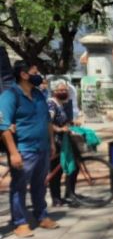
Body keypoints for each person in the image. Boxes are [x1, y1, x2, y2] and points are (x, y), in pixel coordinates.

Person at [0, 61, 58, 237]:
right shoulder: (10, 96)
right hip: (24, 149)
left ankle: (42, 215)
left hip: (42, 148)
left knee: (40, 184)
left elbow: (47, 120)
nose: (38, 74)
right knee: (19, 187)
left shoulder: (39, 94)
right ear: (24, 75)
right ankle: (20, 222)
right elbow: (3, 127)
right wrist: (13, 152)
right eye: (35, 71)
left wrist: (52, 142)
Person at [47, 79, 78, 207]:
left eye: (65, 90)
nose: (64, 92)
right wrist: (59, 129)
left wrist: (71, 124)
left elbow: (62, 121)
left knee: (73, 166)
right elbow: (47, 122)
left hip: (64, 141)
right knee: (56, 171)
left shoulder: (61, 104)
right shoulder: (51, 104)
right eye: (60, 90)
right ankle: (56, 198)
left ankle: (69, 193)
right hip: (55, 141)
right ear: (54, 91)